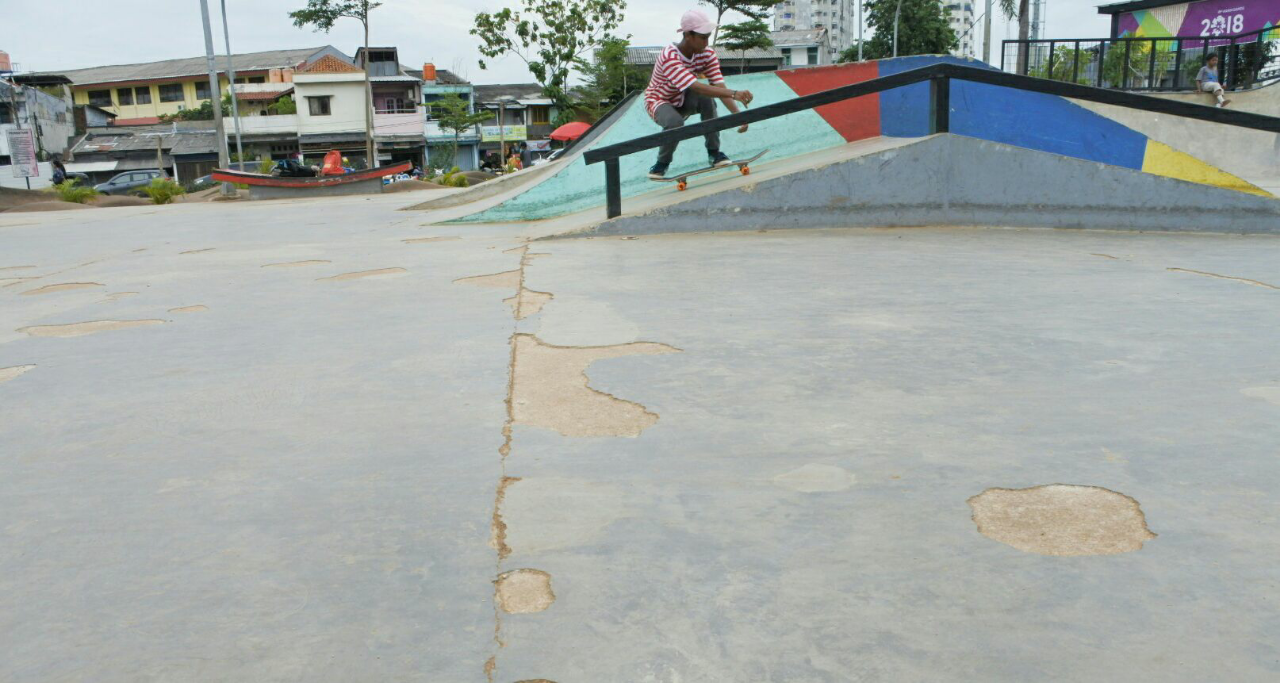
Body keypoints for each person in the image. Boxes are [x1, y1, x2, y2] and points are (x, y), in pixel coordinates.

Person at [644, 9, 754, 180]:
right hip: (659, 100)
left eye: (708, 37)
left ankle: (715, 154)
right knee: (675, 122)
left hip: (685, 98)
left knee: (707, 99)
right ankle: (661, 165)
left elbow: (718, 86)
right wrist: (734, 93)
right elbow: (697, 87)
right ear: (688, 35)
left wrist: (738, 115)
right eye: (703, 37)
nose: (706, 42)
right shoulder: (669, 56)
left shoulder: (707, 54)